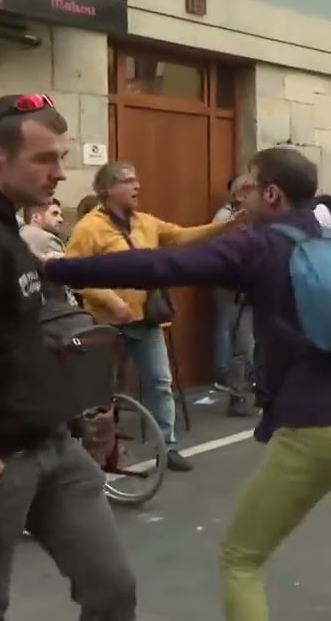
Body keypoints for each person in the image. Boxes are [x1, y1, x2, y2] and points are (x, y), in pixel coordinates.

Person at [43, 147, 331, 621]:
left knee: (241, 558)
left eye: (248, 188)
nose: (242, 199)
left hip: (314, 426)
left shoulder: (259, 248)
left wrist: (60, 269)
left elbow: (156, 267)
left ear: (272, 194)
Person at [0, 93, 136, 620]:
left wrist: (77, 419)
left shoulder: (5, 228)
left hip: (55, 449)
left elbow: (17, 340)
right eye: (45, 159)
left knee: (112, 588)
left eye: (61, 156)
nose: (60, 173)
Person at [66, 160, 238, 471]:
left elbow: (182, 236)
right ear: (107, 188)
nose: (137, 186)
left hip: (146, 320)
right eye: (129, 181)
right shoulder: (88, 228)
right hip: (108, 323)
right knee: (106, 391)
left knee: (160, 382)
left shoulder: (145, 222)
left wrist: (225, 226)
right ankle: (105, 453)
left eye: (137, 180)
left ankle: (167, 446)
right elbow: (74, 273)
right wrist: (110, 299)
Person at [214, 175, 258, 417]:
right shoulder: (227, 219)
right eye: (251, 189)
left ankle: (245, 392)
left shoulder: (255, 218)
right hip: (234, 290)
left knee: (248, 345)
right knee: (242, 346)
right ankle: (236, 396)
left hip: (251, 289)